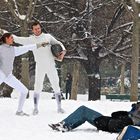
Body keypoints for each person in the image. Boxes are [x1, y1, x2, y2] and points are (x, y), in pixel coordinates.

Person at [14, 21, 66, 114]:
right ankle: (35, 108)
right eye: (35, 29)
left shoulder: (48, 37)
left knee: (56, 86)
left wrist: (63, 51)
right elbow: (18, 39)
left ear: (40, 28)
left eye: (38, 28)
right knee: (37, 87)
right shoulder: (31, 39)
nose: (37, 30)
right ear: (32, 30)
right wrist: (4, 33)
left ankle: (59, 108)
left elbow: (59, 43)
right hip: (40, 66)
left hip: (51, 65)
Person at [0, 32, 46, 116]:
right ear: (6, 39)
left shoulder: (13, 49)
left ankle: (19, 111)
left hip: (8, 76)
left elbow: (26, 48)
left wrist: (39, 45)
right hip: (1, 73)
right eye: (11, 38)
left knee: (24, 91)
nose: (13, 39)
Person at [49, 102, 140, 133]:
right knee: (83, 111)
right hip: (107, 121)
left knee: (83, 111)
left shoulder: (134, 120)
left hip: (106, 123)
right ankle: (66, 125)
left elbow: (115, 116)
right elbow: (115, 115)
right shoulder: (132, 115)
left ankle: (64, 125)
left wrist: (127, 114)